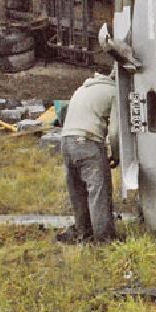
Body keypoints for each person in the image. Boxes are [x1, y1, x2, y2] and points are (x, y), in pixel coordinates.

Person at [56, 70, 118, 244]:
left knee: (77, 190)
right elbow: (114, 132)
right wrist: (116, 153)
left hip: (66, 140)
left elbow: (64, 115)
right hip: (88, 140)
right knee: (99, 190)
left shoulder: (82, 88)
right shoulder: (114, 92)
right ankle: (105, 239)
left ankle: (84, 233)